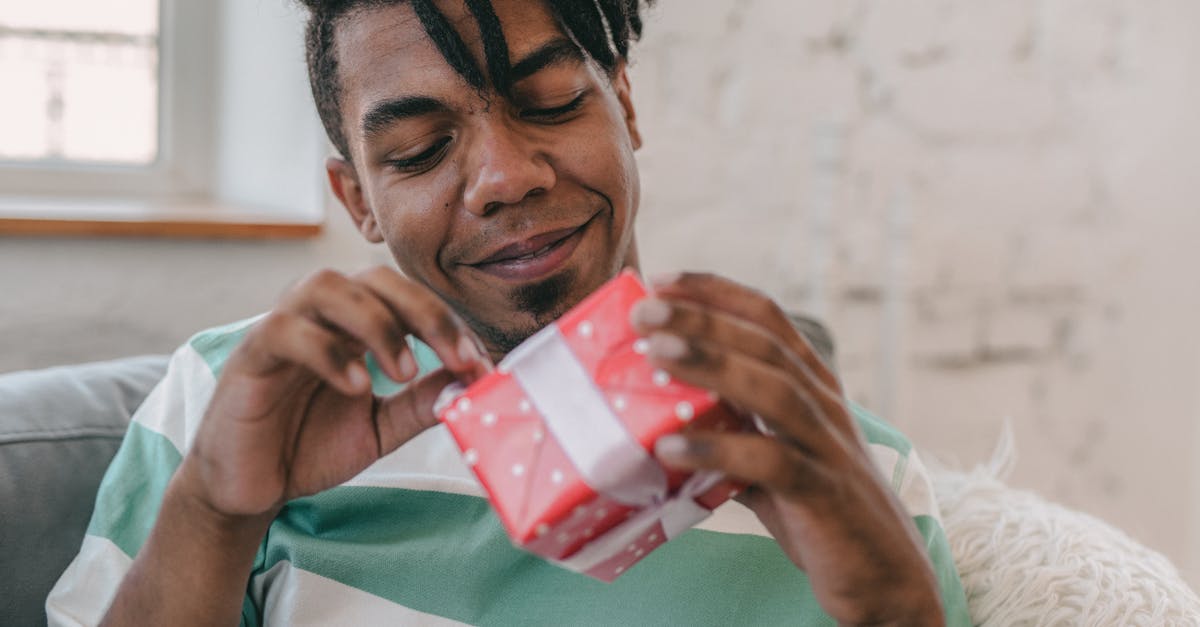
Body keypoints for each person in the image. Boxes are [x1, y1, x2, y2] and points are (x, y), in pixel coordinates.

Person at [48, 1, 970, 624]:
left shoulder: (849, 467)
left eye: (551, 101)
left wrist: (897, 605)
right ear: (356, 197)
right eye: (418, 149)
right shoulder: (228, 404)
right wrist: (213, 513)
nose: (505, 175)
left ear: (624, 104)